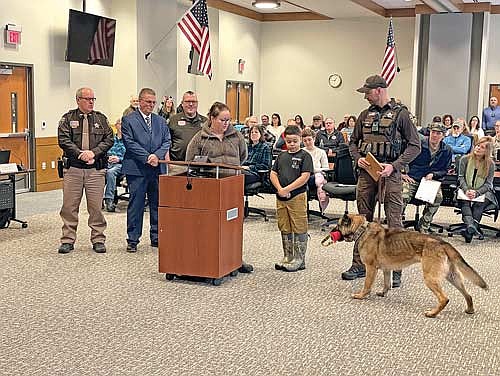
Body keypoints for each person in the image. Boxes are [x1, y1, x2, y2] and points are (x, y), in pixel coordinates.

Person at [342, 74, 420, 288]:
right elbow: (353, 143)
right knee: (361, 221)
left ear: (378, 90)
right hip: (367, 174)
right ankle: (359, 264)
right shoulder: (364, 115)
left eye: (367, 92)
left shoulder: (402, 115)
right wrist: (358, 159)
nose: (365, 96)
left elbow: (415, 146)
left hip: (391, 174)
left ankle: (395, 268)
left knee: (394, 221)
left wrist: (394, 165)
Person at [186, 102, 253, 273]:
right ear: (212, 118)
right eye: (222, 120)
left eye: (228, 120)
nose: (226, 124)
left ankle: (235, 258)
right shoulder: (200, 138)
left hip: (233, 187)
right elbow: (190, 161)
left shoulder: (236, 136)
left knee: (234, 225)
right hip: (211, 190)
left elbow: (243, 156)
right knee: (214, 227)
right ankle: (216, 259)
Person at [57, 87, 114, 254]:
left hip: (95, 171)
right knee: (69, 206)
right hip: (73, 169)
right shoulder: (67, 119)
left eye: (93, 99)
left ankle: (98, 239)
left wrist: (93, 153)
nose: (91, 102)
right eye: (87, 99)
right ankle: (67, 239)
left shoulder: (101, 119)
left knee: (96, 207)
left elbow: (109, 139)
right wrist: (80, 154)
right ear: (78, 100)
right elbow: (63, 139)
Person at [121, 88, 171, 252]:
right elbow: (130, 143)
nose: (151, 105)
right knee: (136, 204)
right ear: (140, 101)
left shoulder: (160, 121)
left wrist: (156, 156)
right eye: (148, 102)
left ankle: (156, 236)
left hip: (157, 168)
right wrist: (148, 157)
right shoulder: (128, 120)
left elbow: (166, 141)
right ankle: (133, 239)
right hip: (137, 168)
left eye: (153, 102)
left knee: (157, 203)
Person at [270, 124, 314, 272]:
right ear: (285, 140)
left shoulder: (305, 156)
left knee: (299, 225)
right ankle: (288, 256)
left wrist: (288, 189)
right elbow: (273, 173)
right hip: (281, 196)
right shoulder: (282, 155)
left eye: (295, 141)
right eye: (289, 141)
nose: (292, 144)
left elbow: (305, 176)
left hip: (297, 196)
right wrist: (280, 189)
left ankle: (299, 259)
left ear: (300, 139)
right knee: (284, 225)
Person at [401, 122, 452, 233]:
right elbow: (403, 157)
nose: (435, 135)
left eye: (438, 133)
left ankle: (424, 225)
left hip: (430, 181)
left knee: (438, 197)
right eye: (433, 132)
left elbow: (445, 170)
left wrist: (434, 174)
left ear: (443, 136)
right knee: (402, 195)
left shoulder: (447, 150)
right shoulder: (418, 144)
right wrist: (402, 173)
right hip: (412, 178)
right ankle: (397, 224)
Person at [457, 136, 497, 243]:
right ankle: (471, 226)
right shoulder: (464, 159)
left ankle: (469, 230)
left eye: (482, 147)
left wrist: (477, 192)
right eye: (478, 145)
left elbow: (488, 184)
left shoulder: (491, 165)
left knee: (480, 203)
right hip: (465, 188)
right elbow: (460, 177)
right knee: (464, 201)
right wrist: (466, 190)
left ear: (487, 151)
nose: (478, 148)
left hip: (484, 191)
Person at [167, 91, 207, 161]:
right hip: (177, 164)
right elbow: (166, 143)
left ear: (197, 103)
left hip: (198, 164)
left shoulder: (205, 122)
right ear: (182, 103)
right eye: (187, 101)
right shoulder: (173, 120)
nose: (191, 104)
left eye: (193, 101)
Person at [302, 127, 329, 211]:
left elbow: (326, 168)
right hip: (303, 176)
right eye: (305, 141)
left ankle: (321, 201)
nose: (307, 142)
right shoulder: (301, 151)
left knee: (316, 178)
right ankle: (303, 209)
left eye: (309, 140)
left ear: (314, 139)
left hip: (315, 177)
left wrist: (314, 169)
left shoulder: (321, 152)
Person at [103, 118, 126, 212]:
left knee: (110, 172)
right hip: (108, 162)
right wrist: (108, 158)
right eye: (119, 124)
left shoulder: (128, 140)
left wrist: (119, 159)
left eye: (123, 124)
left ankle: (109, 200)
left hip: (121, 165)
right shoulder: (111, 139)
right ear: (116, 126)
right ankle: (96, 201)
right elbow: (104, 151)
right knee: (98, 172)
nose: (121, 126)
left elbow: (131, 156)